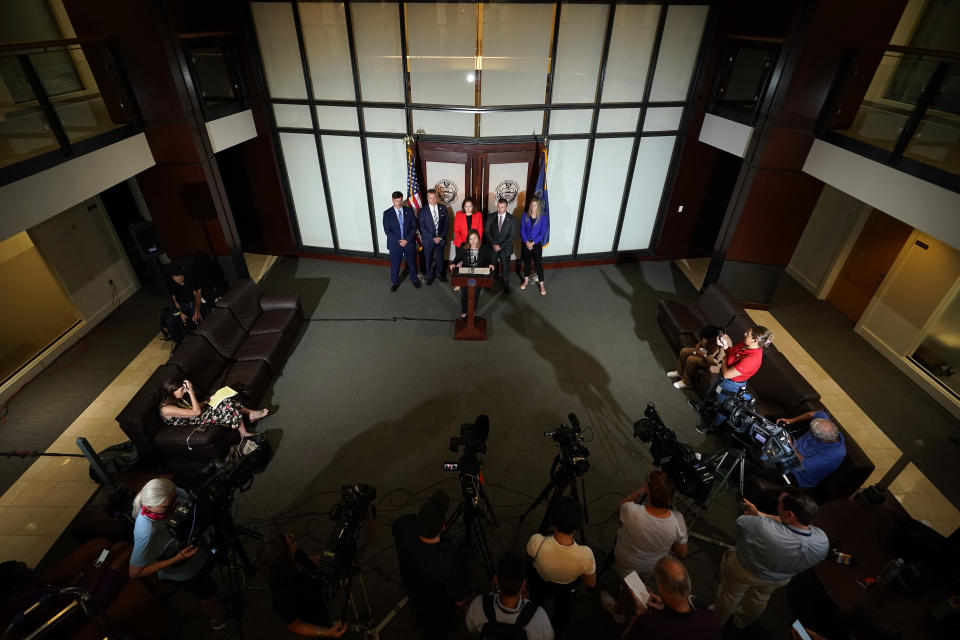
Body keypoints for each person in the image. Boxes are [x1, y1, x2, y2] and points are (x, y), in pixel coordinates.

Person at [713, 489, 829, 630]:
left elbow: (741, 521)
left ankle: (716, 622)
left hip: (744, 569)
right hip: (779, 579)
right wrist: (759, 514)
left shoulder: (763, 526)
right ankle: (742, 621)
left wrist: (759, 516)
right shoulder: (822, 540)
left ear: (790, 514)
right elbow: (788, 525)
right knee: (759, 599)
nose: (777, 505)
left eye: (779, 504)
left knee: (730, 595)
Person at [128, 478, 227, 630]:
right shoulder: (146, 532)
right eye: (167, 507)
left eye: (175, 500)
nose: (175, 507)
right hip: (182, 570)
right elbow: (135, 572)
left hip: (194, 550)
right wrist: (177, 558)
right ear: (149, 506)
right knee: (208, 594)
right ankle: (219, 620)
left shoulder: (170, 492)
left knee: (209, 575)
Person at [393, 490, 471, 639]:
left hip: (412, 587)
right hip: (438, 611)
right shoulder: (449, 559)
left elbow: (404, 522)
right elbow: (461, 600)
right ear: (443, 526)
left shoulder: (402, 526)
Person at [745, 412, 846, 511]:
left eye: (814, 435)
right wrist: (790, 421)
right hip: (786, 451)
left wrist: (789, 444)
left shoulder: (834, 454)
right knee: (757, 439)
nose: (811, 434)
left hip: (797, 473)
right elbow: (813, 414)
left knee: (760, 464)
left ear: (822, 439)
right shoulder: (825, 425)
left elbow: (802, 463)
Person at [526, 496, 596, 637]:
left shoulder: (536, 541)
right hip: (565, 589)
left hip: (539, 583)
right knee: (562, 613)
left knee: (534, 604)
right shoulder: (586, 555)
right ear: (577, 525)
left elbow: (529, 561)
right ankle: (556, 632)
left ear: (553, 521)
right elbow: (591, 583)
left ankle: (531, 624)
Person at [257, 533, 347, 638]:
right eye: (290, 539)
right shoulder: (283, 594)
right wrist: (326, 632)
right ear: (286, 555)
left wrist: (332, 557)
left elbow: (311, 559)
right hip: (314, 621)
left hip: (321, 602)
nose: (292, 534)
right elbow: (295, 625)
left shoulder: (295, 554)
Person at [694, 326, 774, 433]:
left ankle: (713, 428)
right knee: (711, 392)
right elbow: (731, 354)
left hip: (732, 384)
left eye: (748, 334)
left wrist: (724, 359)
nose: (744, 334)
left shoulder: (752, 359)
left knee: (724, 407)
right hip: (723, 377)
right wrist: (725, 346)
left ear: (755, 340)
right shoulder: (745, 344)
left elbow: (727, 374)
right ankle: (701, 407)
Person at [619, 557, 721, 640]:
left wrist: (639, 613)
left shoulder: (651, 626)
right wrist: (664, 607)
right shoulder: (712, 619)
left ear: (660, 587)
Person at [464, 552, 554, 640]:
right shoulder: (539, 617)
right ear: (523, 585)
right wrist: (527, 607)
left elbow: (470, 627)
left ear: (496, 581)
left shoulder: (478, 604)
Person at [159, 376, 268, 439]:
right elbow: (195, 412)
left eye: (184, 389)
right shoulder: (166, 409)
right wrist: (191, 392)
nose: (184, 392)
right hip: (191, 423)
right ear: (172, 391)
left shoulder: (177, 398)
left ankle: (250, 414)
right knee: (228, 407)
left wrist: (208, 401)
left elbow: (193, 408)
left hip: (195, 415)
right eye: (182, 390)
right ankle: (244, 433)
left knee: (224, 400)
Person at [450, 229, 495, 318]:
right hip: (466, 273)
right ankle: (464, 311)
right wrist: (454, 263)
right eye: (470, 239)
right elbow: (458, 258)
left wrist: (490, 264)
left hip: (478, 274)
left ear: (478, 238)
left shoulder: (484, 247)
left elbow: (488, 259)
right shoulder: (464, 246)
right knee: (464, 294)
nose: (472, 241)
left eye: (474, 238)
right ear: (468, 240)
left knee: (476, 294)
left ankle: (472, 310)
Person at [667, 325, 729, 390]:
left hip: (714, 363)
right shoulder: (714, 333)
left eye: (708, 339)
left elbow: (718, 362)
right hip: (707, 353)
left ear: (713, 337)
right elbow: (699, 344)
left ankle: (686, 383)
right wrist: (698, 348)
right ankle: (679, 373)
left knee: (691, 359)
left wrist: (704, 356)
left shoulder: (724, 344)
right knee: (684, 351)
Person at [383, 190, 421, 292]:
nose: (399, 203)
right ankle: (395, 282)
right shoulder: (387, 213)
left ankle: (414, 279)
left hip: (408, 243)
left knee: (412, 263)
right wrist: (399, 241)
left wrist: (407, 240)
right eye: (396, 201)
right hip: (395, 244)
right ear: (393, 200)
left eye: (400, 200)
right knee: (395, 265)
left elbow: (414, 227)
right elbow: (387, 231)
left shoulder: (409, 211)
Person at [163, 266, 204, 346]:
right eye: (177, 281)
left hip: (193, 302)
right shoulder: (170, 282)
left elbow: (198, 295)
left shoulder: (191, 277)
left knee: (196, 319)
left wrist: (197, 311)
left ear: (183, 275)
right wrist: (180, 313)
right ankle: (178, 342)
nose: (179, 282)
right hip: (180, 305)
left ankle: (201, 340)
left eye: (181, 280)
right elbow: (174, 301)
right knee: (169, 320)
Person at [484, 198, 516, 292]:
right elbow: (486, 231)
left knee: (505, 268)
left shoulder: (512, 219)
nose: (499, 209)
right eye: (498, 207)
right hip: (493, 246)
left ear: (506, 207)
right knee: (491, 267)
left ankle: (506, 286)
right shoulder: (490, 216)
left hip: (505, 248)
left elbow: (512, 236)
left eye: (502, 207)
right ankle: (489, 284)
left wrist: (500, 246)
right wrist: (494, 244)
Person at [452, 197, 483, 292]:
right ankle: (458, 283)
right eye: (466, 206)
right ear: (463, 206)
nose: (468, 208)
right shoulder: (458, 214)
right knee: (460, 263)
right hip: (461, 243)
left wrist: (475, 242)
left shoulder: (478, 215)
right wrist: (464, 243)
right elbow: (456, 230)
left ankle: (471, 281)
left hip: (474, 243)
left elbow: (480, 230)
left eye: (470, 206)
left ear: (473, 207)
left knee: (472, 262)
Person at [419, 188, 449, 286]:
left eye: (434, 197)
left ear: (437, 197)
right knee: (428, 259)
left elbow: (446, 224)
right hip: (429, 240)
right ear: (427, 198)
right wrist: (433, 238)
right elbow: (422, 227)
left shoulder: (443, 208)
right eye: (430, 198)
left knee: (440, 258)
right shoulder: (423, 211)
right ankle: (429, 275)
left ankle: (439, 274)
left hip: (440, 239)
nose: (433, 200)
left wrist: (440, 237)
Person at [520, 197, 549, 296]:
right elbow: (522, 230)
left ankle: (541, 285)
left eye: (535, 205)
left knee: (538, 264)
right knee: (527, 262)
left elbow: (543, 232)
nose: (533, 207)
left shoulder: (543, 218)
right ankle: (526, 281)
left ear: (538, 206)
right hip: (526, 244)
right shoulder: (525, 215)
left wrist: (533, 243)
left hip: (536, 245)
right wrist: (527, 242)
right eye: (532, 205)